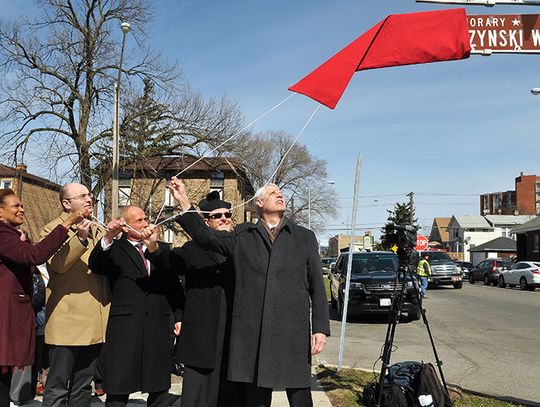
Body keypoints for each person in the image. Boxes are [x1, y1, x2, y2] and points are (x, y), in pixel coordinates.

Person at [169, 178, 330, 407]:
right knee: (255, 396)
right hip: (253, 334)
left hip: (292, 330)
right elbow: (207, 237)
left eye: (281, 193)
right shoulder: (243, 236)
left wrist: (321, 329)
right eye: (273, 192)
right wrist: (184, 201)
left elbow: (317, 285)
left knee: (300, 395)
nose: (280, 194)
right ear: (259, 203)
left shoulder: (304, 237)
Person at [88, 206, 183, 407]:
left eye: (145, 219)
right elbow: (96, 264)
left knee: (158, 386)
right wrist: (108, 237)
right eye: (138, 221)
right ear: (125, 226)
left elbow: (174, 285)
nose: (145, 224)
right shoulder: (115, 249)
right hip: (126, 326)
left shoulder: (162, 249)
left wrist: (179, 316)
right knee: (119, 385)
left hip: (158, 324)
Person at [0, 188, 85, 407]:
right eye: (16, 206)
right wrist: (66, 224)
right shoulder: (2, 234)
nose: (22, 209)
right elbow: (34, 255)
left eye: (21, 205)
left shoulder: (10, 235)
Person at [40, 183, 111, 407]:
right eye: (82, 196)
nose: (89, 199)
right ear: (66, 203)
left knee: (83, 385)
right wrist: (79, 239)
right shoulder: (52, 228)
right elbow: (58, 265)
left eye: (89, 195)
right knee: (58, 384)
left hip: (94, 320)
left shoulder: (97, 228)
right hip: (67, 320)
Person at [170, 191, 240, 407]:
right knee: (198, 398)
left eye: (227, 214)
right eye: (217, 216)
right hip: (201, 337)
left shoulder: (242, 245)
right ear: (206, 222)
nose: (224, 218)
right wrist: (152, 247)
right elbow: (171, 273)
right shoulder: (190, 250)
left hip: (233, 335)